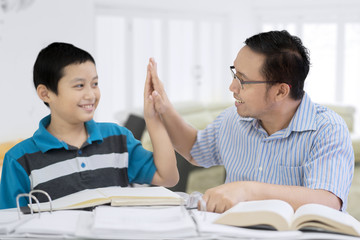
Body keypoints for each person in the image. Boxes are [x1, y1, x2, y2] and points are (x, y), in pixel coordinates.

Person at [145, 30, 354, 213]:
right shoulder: (232, 119)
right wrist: (164, 108)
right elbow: (194, 149)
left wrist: (248, 190)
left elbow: (328, 201)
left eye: (243, 80)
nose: (232, 87)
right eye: (234, 74)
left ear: (281, 91)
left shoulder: (327, 128)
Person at [0, 42, 178, 209]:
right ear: (46, 94)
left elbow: (168, 177)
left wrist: (152, 118)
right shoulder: (19, 160)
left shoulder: (118, 138)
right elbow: (9, 224)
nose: (91, 94)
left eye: (95, 84)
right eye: (79, 86)